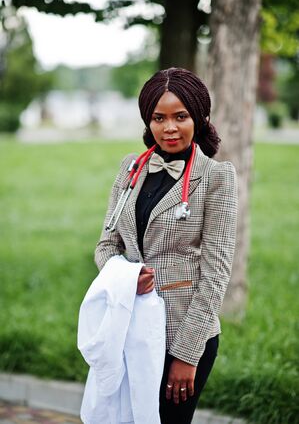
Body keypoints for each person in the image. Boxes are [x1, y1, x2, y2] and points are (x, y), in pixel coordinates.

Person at [94, 67, 238, 424]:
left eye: (180, 117)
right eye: (159, 118)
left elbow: (216, 273)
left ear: (200, 118)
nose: (169, 128)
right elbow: (106, 244)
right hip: (128, 324)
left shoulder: (217, 177)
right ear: (148, 120)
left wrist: (188, 355)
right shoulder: (131, 168)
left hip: (183, 331)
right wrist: (124, 275)